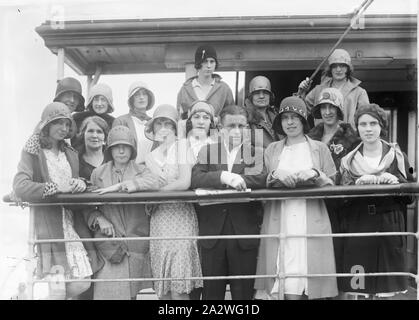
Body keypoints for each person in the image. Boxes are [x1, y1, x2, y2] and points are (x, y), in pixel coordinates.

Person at [254, 96, 338, 300]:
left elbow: (333, 183)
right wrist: (274, 176)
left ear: (303, 120)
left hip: (310, 215)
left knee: (308, 270)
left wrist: (316, 174)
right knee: (282, 269)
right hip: (279, 217)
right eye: (285, 118)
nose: (290, 122)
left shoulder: (319, 148)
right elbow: (260, 178)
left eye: (295, 117)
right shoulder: (272, 149)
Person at [12, 102, 92, 299]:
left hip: (71, 224)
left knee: (83, 282)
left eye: (67, 124)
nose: (64, 129)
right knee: (57, 287)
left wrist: (80, 183)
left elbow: (82, 179)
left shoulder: (70, 152)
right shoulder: (33, 149)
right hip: (48, 225)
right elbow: (20, 185)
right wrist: (54, 188)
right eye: (58, 123)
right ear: (46, 125)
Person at [191, 104, 267, 300]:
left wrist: (238, 180)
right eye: (230, 125)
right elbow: (196, 178)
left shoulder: (257, 152)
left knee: (243, 296)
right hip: (212, 233)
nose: (236, 130)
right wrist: (224, 177)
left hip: (244, 232)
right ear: (220, 128)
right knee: (212, 296)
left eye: (241, 126)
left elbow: (261, 178)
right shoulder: (208, 150)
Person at [339, 103, 414, 299]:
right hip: (359, 225)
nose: (368, 128)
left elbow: (410, 197)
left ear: (382, 126)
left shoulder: (398, 156)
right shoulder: (348, 161)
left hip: (390, 224)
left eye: (373, 123)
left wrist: (398, 183)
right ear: (357, 127)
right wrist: (357, 185)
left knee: (386, 288)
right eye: (363, 124)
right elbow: (340, 200)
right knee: (359, 285)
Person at [87, 125, 159, 300]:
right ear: (109, 150)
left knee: (135, 295)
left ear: (132, 149)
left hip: (137, 244)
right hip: (110, 245)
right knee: (108, 295)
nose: (121, 150)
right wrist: (99, 218)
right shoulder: (98, 173)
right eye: (116, 146)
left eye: (125, 146)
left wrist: (123, 185)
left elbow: (155, 182)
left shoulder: (142, 170)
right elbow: (88, 206)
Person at [144, 104, 203, 300]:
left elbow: (184, 182)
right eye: (159, 123)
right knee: (164, 291)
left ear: (174, 127)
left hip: (180, 217)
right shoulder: (149, 157)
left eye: (167, 124)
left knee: (179, 290)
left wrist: (156, 193)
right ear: (153, 129)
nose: (163, 128)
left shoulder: (182, 146)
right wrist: (150, 198)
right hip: (159, 220)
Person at [298, 48, 369, 128]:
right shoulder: (318, 90)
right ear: (330, 69)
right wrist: (302, 93)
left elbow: (366, 119)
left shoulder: (359, 92)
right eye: (335, 66)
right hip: (322, 138)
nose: (338, 69)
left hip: (348, 138)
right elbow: (300, 112)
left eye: (342, 66)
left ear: (348, 68)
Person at [176, 45, 234, 119]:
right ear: (198, 63)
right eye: (205, 61)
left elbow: (231, 116)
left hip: (216, 130)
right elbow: (180, 118)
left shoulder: (224, 89)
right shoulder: (185, 89)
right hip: (192, 130)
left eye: (212, 61)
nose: (209, 66)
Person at [113, 81, 155, 164]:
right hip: (129, 172)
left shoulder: (154, 122)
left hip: (151, 173)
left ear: (148, 98)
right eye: (137, 95)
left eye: (144, 94)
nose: (141, 97)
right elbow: (116, 151)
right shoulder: (121, 121)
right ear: (132, 99)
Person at [245, 75, 281, 148]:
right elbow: (244, 147)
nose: (261, 96)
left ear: (270, 96)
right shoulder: (245, 117)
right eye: (257, 93)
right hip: (259, 158)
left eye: (265, 92)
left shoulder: (275, 113)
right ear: (251, 96)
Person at [76, 116, 109, 182]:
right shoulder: (75, 159)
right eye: (90, 131)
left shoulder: (113, 158)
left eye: (99, 132)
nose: (94, 135)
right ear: (83, 134)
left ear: (105, 137)